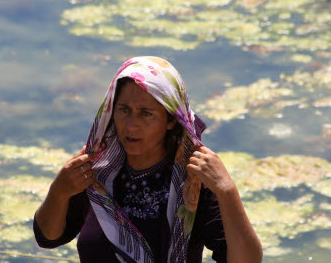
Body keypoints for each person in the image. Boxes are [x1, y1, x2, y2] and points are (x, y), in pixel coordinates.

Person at [33, 56, 262, 263]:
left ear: (171, 120)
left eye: (146, 113)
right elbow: (48, 237)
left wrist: (227, 191)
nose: (131, 125)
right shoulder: (97, 169)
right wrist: (59, 191)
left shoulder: (193, 181)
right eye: (123, 109)